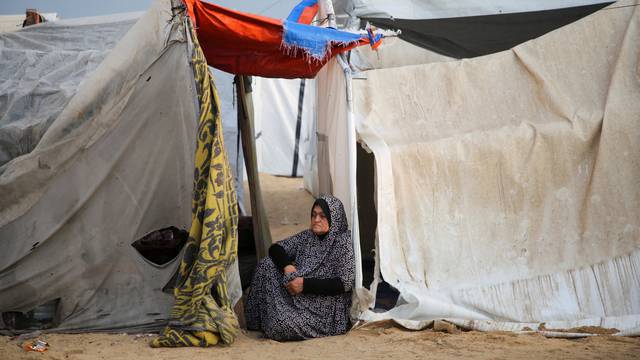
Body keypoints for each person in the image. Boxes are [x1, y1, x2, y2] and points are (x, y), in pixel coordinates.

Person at [244, 195, 354, 341]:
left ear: (334, 217)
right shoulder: (308, 237)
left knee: (281, 326)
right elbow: (276, 248)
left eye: (322, 216)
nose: (316, 220)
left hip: (324, 308)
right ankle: (257, 321)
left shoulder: (343, 242)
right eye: (313, 215)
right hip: (297, 294)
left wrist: (305, 285)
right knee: (267, 265)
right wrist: (287, 266)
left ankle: (274, 322)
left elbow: (344, 283)